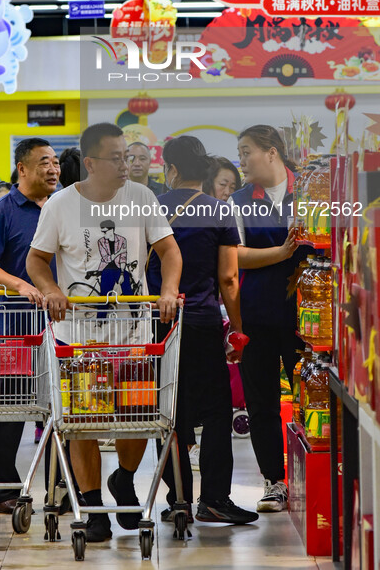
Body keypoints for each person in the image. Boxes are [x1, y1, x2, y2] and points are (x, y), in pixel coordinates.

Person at [27, 122, 181, 543]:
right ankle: (93, 509)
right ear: (91, 162)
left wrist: (167, 290)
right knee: (85, 422)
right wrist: (51, 290)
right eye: (116, 158)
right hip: (79, 338)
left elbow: (169, 250)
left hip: (134, 336)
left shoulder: (142, 198)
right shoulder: (59, 205)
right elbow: (37, 261)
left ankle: (124, 479)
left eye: (128, 156)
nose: (126, 164)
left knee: (137, 416)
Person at [147, 136, 258, 526]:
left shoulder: (150, 207)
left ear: (171, 170)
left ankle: (177, 499)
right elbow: (228, 278)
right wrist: (237, 329)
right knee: (215, 413)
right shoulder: (219, 211)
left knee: (170, 413)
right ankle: (213, 499)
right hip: (204, 323)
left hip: (158, 325)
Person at [0, 138, 60, 514]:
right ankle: (2, 492)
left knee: (62, 410)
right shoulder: (1, 212)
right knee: (9, 411)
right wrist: (20, 284)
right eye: (44, 162)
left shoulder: (64, 208)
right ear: (22, 169)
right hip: (15, 326)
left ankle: (59, 490)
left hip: (61, 328)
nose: (53, 168)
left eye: (55, 161)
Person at [233, 125, 308, 513]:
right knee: (261, 400)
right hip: (257, 314)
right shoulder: (239, 200)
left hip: (310, 318)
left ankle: (318, 469)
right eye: (240, 152)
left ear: (272, 152)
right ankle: (274, 481)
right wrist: (280, 253)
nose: (242, 160)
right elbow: (235, 255)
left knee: (312, 393)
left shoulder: (311, 192)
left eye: (247, 151)